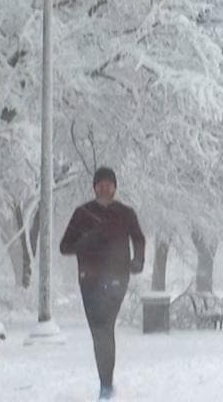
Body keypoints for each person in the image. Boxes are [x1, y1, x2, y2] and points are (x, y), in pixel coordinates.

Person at [60, 167, 145, 400]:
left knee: (104, 328)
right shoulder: (82, 213)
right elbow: (65, 246)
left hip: (117, 278)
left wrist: (138, 260)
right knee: (100, 333)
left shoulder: (125, 213)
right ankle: (105, 383)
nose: (104, 188)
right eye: (100, 184)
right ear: (94, 187)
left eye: (109, 184)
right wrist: (85, 241)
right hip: (90, 281)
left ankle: (106, 386)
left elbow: (138, 238)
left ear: (115, 187)